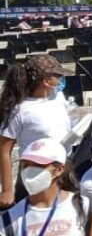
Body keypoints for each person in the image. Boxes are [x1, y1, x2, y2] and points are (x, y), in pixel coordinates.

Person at [0, 55, 73, 206]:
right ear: (46, 81)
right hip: (36, 173)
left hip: (62, 168)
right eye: (58, 76)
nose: (61, 80)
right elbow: (4, 150)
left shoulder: (57, 95)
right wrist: (7, 190)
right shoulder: (21, 110)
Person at [1, 138, 92, 236]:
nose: (29, 171)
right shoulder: (9, 219)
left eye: (38, 165)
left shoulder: (83, 207)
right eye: (25, 165)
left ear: (59, 170)